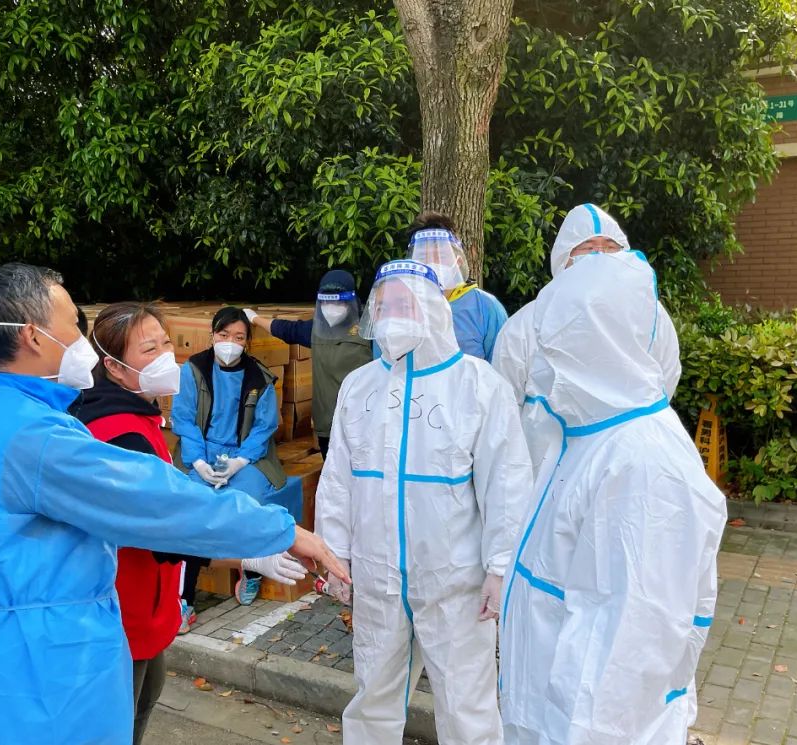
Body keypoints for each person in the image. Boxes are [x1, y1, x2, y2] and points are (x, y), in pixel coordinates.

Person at [0, 263, 348, 745]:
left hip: (3, 651)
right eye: (73, 323)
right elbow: (161, 502)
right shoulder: (40, 439)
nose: (81, 339)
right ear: (33, 335)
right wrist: (282, 532)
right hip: (47, 663)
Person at [498, 251, 726, 745]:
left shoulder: (643, 466)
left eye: (556, 345)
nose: (545, 362)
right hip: (540, 715)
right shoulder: (583, 438)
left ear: (597, 343)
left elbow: (618, 672)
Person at [316, 259, 534, 745]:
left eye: (404, 304)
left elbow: (507, 485)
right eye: (383, 306)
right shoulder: (360, 387)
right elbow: (337, 482)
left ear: (433, 310)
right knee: (372, 695)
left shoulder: (478, 386)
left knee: (466, 704)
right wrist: (335, 554)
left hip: (455, 583)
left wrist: (501, 567)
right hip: (377, 578)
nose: (392, 315)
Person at [69, 302, 308, 744]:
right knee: (118, 722)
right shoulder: (120, 433)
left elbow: (262, 431)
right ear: (113, 366)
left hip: (145, 605)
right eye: (149, 349)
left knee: (142, 700)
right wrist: (251, 548)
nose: (165, 356)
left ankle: (194, 593)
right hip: (124, 612)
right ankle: (201, 592)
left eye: (166, 343)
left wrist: (240, 461)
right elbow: (171, 529)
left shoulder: (142, 412)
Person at [490, 203, 682, 478]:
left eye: (610, 247)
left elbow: (666, 375)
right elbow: (505, 403)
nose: (600, 256)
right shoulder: (526, 324)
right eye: (588, 248)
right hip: (548, 467)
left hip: (628, 462)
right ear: (563, 259)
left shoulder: (650, 315)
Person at [171, 306, 287, 608]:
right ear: (212, 335)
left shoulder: (260, 378)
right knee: (193, 507)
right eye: (224, 335)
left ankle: (251, 570)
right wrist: (198, 462)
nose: (230, 343)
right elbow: (184, 419)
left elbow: (264, 427)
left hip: (247, 455)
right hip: (201, 450)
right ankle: (184, 598)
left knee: (248, 505)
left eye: (238, 337)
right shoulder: (193, 369)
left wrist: (239, 461)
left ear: (247, 342)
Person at [244, 270, 372, 459]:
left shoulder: (369, 331)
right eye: (326, 302)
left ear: (351, 301)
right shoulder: (316, 330)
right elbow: (287, 330)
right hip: (327, 426)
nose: (331, 308)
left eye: (337, 302)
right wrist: (255, 319)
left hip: (364, 425)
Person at [404, 212, 508, 361]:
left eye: (441, 256)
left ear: (458, 261)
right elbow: (383, 367)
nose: (432, 263)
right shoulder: (397, 307)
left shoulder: (486, 308)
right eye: (423, 257)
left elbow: (502, 366)